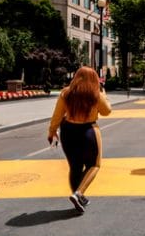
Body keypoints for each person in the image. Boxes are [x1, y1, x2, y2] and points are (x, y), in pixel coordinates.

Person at [48, 67, 112, 212]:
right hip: (88, 131)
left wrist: (52, 131)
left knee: (75, 167)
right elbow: (107, 111)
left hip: (68, 131)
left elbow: (57, 115)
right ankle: (79, 193)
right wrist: (104, 94)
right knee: (94, 165)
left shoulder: (66, 92)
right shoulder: (95, 94)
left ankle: (78, 197)